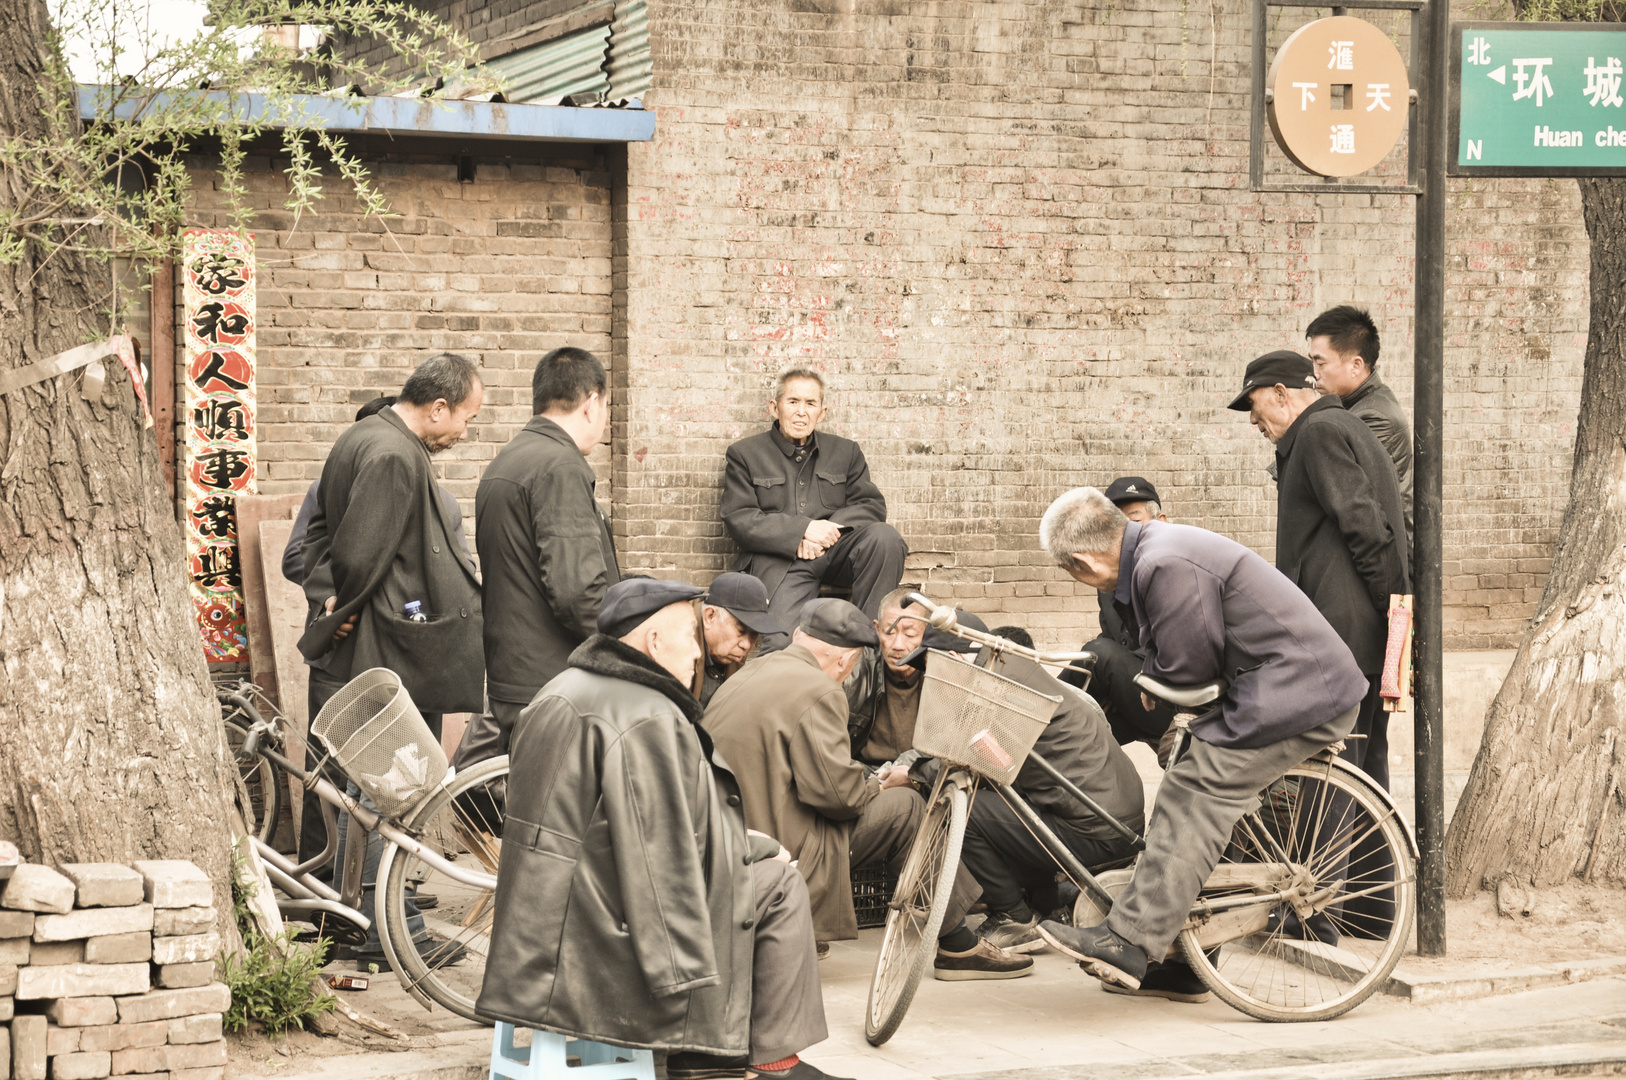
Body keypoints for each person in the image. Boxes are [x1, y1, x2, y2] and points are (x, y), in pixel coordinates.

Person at [477, 579, 842, 1080]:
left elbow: (633, 825)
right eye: (689, 638)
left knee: (752, 865)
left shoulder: (559, 689)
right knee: (777, 887)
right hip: (604, 933)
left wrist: (749, 846)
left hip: (543, 924)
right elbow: (663, 856)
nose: (697, 654)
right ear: (653, 642)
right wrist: (746, 862)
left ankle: (718, 1054)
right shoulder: (646, 713)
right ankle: (744, 1059)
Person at [1030, 488, 1368, 994]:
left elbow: (1187, 668)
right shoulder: (1157, 550)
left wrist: (1149, 686)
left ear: (1081, 562)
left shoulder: (1162, 563)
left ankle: (1131, 940)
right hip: (1278, 687)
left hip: (1301, 693)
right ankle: (1184, 960)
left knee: (1196, 789)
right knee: (1184, 779)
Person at [704, 598, 1030, 980]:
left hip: (727, 844)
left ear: (798, 637)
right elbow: (839, 798)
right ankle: (958, 945)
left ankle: (952, 939)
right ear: (846, 661)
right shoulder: (819, 689)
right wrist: (876, 785)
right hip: (779, 853)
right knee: (906, 806)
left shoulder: (747, 672)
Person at [297, 352, 486, 970]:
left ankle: (360, 921)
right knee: (380, 789)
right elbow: (358, 555)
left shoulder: (368, 436)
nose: (465, 432)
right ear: (437, 408)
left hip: (364, 641)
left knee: (359, 788)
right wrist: (340, 605)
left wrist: (334, 601)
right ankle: (386, 927)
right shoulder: (392, 454)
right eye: (466, 418)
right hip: (375, 647)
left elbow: (333, 545)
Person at [1230, 351, 1409, 793]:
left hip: (1342, 638)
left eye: (1254, 407)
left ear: (1279, 393)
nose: (1253, 422)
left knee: (1333, 784)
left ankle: (1324, 868)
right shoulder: (1336, 427)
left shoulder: (1318, 432)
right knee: (1365, 775)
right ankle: (1382, 866)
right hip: (1357, 636)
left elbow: (1367, 529)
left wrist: (1390, 614)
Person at [451, 348, 621, 775]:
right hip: (555, 677)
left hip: (515, 672)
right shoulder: (561, 466)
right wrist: (622, 649)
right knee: (557, 813)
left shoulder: (508, 459)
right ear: (592, 403)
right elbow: (577, 591)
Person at [720, 368, 908, 638]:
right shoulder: (744, 454)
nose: (801, 411)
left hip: (837, 553)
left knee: (885, 538)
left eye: (811, 404)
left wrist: (826, 533)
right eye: (793, 402)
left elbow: (870, 505)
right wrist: (803, 531)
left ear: (822, 412)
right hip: (782, 561)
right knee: (782, 644)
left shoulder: (846, 451)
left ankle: (869, 647)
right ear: (775, 407)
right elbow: (740, 518)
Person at [1056, 477, 1178, 752]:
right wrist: (1105, 687)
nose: (1126, 535)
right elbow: (1111, 637)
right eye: (1116, 527)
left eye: (1134, 522)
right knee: (1072, 738)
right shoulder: (1109, 579)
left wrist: (1108, 671)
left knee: (1096, 655)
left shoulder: (1168, 569)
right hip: (1131, 695)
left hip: (1170, 700)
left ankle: (1029, 711)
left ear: (1161, 520)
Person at [1305, 305, 1414, 541]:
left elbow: (1343, 497)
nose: (1313, 373)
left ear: (1356, 365)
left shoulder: (1373, 417)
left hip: (1388, 558)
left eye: (1320, 363)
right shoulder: (1353, 405)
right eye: (1311, 362)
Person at [694, 572, 783, 706]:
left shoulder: (730, 653)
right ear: (710, 617)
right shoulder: (674, 649)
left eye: (754, 634)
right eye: (740, 631)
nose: (747, 645)